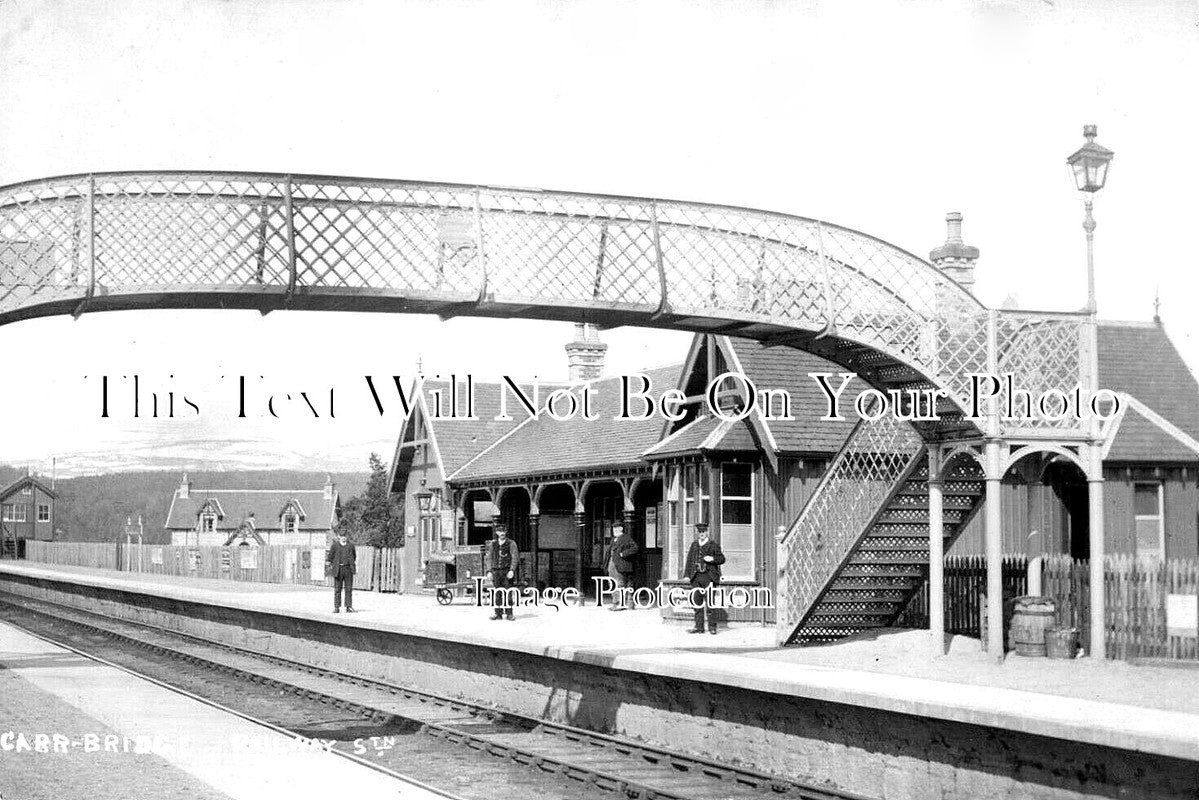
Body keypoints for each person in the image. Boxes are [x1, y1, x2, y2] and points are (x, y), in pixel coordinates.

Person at [683, 522, 725, 634]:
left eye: (703, 531)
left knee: (710, 603)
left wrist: (712, 559)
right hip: (696, 577)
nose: (701, 533)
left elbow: (722, 559)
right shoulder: (694, 545)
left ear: (707, 532)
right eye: (699, 532)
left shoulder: (713, 545)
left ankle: (712, 627)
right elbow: (689, 560)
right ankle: (699, 627)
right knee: (696, 602)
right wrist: (687, 575)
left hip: (709, 577)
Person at [485, 522, 519, 620]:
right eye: (500, 531)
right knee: (497, 593)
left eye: (503, 531)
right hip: (496, 572)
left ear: (506, 532)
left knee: (508, 592)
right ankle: (498, 613)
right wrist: (489, 571)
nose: (502, 533)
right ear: (496, 532)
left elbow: (515, 557)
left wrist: (512, 570)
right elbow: (489, 558)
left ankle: (509, 614)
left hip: (507, 571)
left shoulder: (511, 543)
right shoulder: (493, 544)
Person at [603, 523, 639, 610]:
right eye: (613, 528)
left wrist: (623, 554)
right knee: (612, 583)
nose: (614, 530)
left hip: (620, 564)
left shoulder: (626, 538)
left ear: (621, 529)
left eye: (616, 528)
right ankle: (615, 602)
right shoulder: (613, 539)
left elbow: (635, 548)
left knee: (619, 583)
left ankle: (620, 604)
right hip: (611, 564)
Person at [326, 531, 356, 613]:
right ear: (339, 536)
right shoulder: (335, 546)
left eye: (345, 536)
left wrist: (350, 565)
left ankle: (348, 607)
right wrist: (331, 566)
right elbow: (330, 557)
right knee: (337, 589)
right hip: (338, 569)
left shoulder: (351, 546)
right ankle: (336, 607)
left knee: (348, 589)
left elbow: (354, 556)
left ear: (347, 537)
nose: (343, 537)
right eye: (342, 536)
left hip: (348, 569)